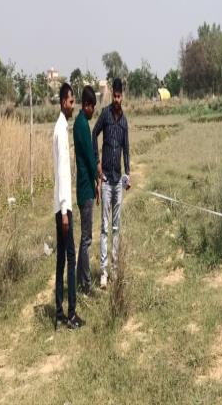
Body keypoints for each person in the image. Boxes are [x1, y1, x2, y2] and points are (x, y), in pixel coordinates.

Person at [92, 77, 131, 289]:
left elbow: (126, 151)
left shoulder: (124, 122)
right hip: (106, 180)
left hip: (118, 182)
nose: (117, 99)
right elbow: (94, 134)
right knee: (105, 228)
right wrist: (97, 163)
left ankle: (114, 271)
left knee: (116, 227)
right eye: (114, 96)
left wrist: (128, 174)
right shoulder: (105, 114)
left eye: (119, 96)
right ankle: (103, 272)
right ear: (112, 96)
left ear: (122, 96)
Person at [53, 82, 84, 330]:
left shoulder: (59, 127)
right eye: (72, 101)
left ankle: (59, 311)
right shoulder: (61, 131)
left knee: (61, 259)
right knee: (70, 258)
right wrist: (65, 211)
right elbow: (63, 172)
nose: (74, 106)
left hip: (59, 204)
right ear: (64, 102)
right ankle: (71, 313)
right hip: (63, 207)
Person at [73, 85, 99, 294]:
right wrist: (98, 179)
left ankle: (79, 280)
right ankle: (86, 284)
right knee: (86, 239)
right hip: (85, 188)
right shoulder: (82, 125)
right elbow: (90, 159)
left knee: (84, 237)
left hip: (84, 186)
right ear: (87, 105)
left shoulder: (80, 123)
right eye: (93, 107)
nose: (94, 112)